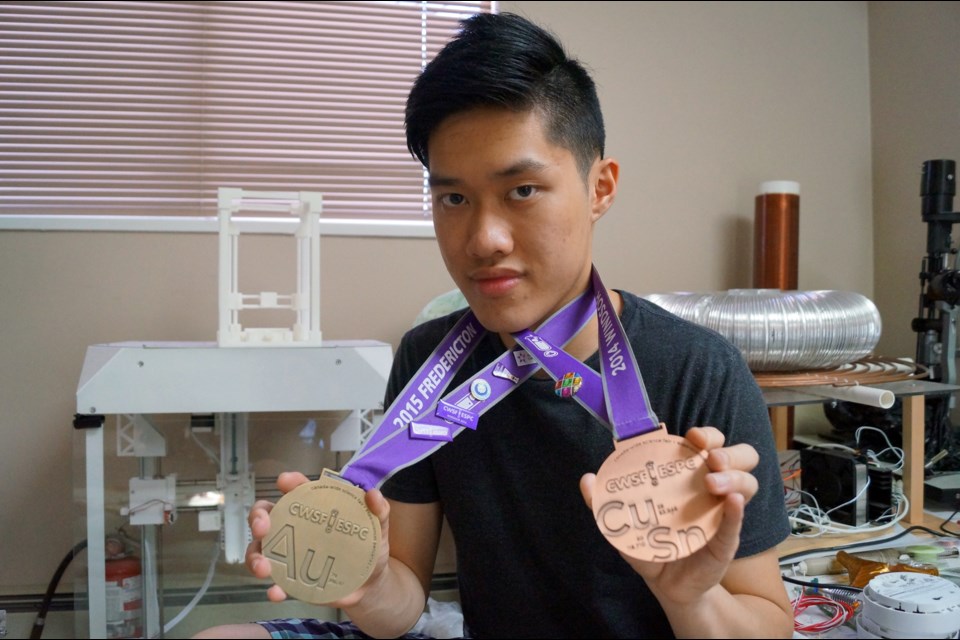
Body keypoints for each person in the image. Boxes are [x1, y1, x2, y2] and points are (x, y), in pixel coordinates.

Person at [196, 11, 793, 639]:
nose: (484, 239)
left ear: (600, 188)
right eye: (453, 198)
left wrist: (691, 600)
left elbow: (769, 623)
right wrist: (370, 584)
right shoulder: (428, 360)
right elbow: (400, 605)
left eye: (523, 191)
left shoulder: (698, 369)